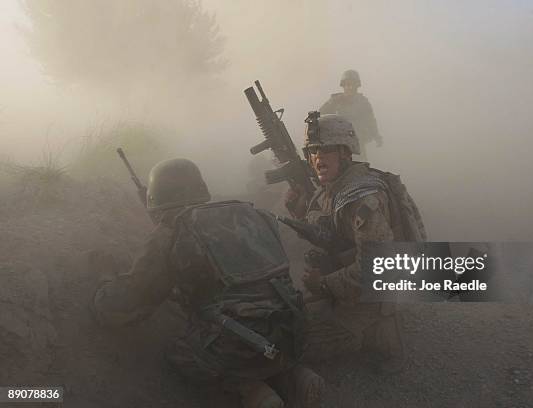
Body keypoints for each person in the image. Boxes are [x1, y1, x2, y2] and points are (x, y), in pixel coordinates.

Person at [91, 158, 324, 408]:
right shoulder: (249, 214)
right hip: (293, 330)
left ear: (156, 199)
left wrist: (104, 278)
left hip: (237, 345)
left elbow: (124, 305)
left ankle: (252, 392)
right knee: (256, 339)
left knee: (182, 355)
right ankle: (296, 378)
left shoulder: (172, 231)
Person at [284, 113, 426, 373]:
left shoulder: (362, 197)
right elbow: (331, 234)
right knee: (285, 318)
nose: (318, 157)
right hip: (343, 285)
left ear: (345, 153)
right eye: (313, 150)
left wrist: (323, 283)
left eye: (326, 149)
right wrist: (298, 210)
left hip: (371, 296)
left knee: (296, 346)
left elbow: (377, 268)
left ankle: (379, 333)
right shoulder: (332, 188)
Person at [319, 70, 383, 161]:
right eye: (348, 85)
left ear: (357, 86)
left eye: (353, 85)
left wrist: (376, 136)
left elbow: (370, 120)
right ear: (343, 86)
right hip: (338, 143)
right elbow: (320, 115)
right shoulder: (335, 101)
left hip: (357, 143)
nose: (350, 88)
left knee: (360, 168)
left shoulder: (363, 102)